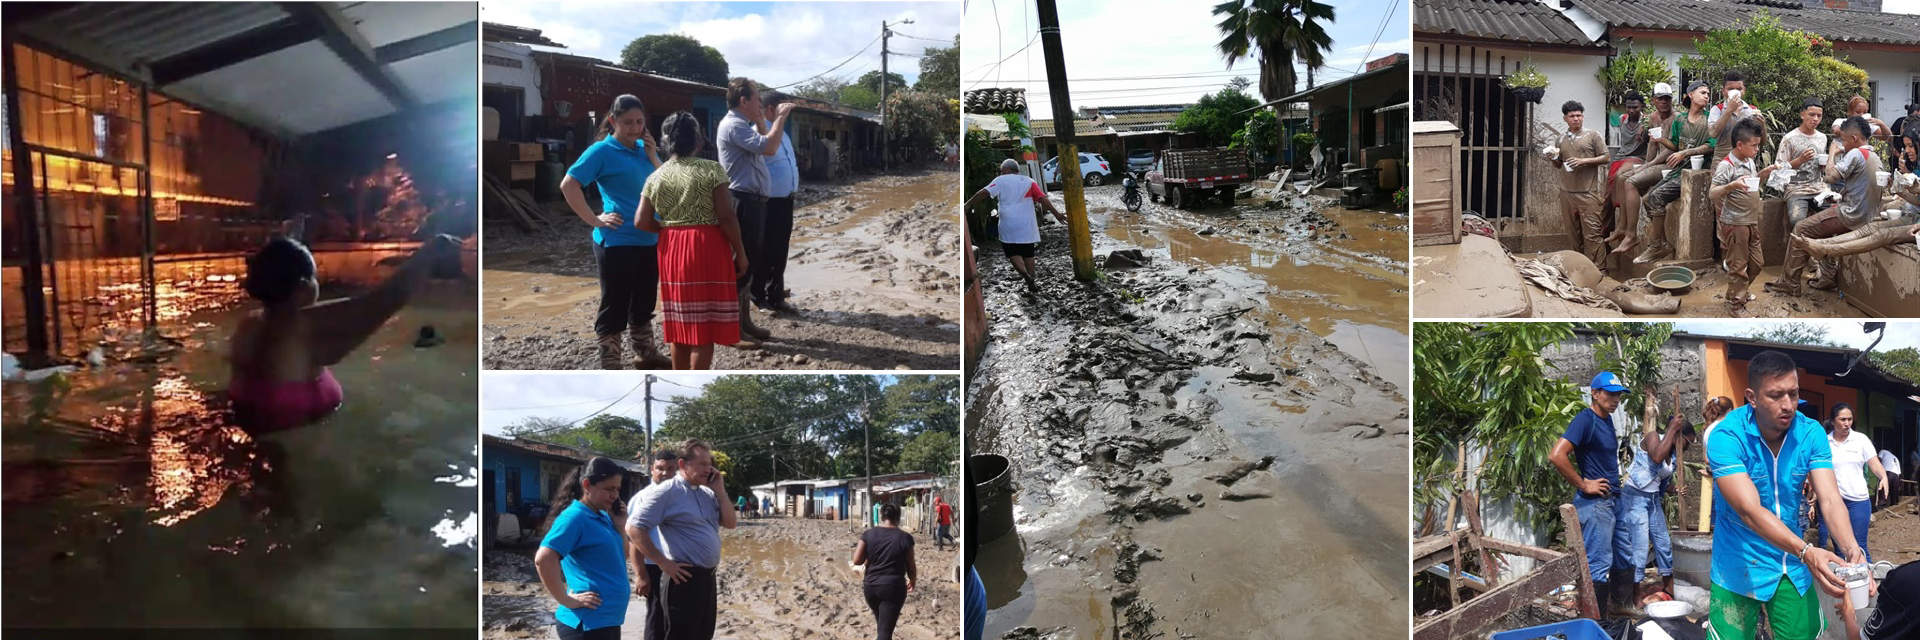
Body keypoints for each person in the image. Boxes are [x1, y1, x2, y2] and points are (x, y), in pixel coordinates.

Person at [1707, 350, 1872, 640]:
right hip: (1738, 563)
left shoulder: (1810, 433)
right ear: (1752, 397)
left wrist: (1852, 550)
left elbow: (1831, 499)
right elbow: (1749, 510)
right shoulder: (1726, 436)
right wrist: (1808, 552)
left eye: (1793, 394)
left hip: (1790, 565)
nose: (1788, 405)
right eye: (1776, 395)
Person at [229, 234, 460, 432]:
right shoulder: (299, 329)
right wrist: (432, 251)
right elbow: (384, 300)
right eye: (315, 278)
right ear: (303, 286)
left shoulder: (249, 325)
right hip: (291, 463)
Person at [560, 94, 669, 370]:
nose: (634, 128)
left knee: (644, 300)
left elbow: (667, 185)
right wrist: (594, 220)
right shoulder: (601, 152)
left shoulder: (644, 149)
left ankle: (645, 353)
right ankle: (611, 363)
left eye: (639, 122)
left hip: (650, 236)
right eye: (627, 122)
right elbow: (568, 185)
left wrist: (654, 156)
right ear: (612, 121)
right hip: (617, 240)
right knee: (615, 303)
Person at [635, 112, 750, 370]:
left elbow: (641, 221)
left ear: (666, 142)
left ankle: (680, 378)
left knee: (680, 324)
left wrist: (667, 228)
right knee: (704, 329)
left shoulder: (657, 176)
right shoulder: (711, 170)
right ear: (698, 141)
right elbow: (726, 216)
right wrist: (741, 253)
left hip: (671, 248)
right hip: (706, 245)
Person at [715, 78, 796, 348]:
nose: (760, 104)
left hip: (754, 201)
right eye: (757, 100)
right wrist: (780, 118)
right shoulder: (735, 125)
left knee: (748, 261)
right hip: (744, 201)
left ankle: (744, 322)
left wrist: (764, 121)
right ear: (744, 101)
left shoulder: (741, 124)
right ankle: (733, 330)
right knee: (742, 264)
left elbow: (764, 138)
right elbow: (769, 147)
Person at [629, 439, 736, 640]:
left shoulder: (707, 492)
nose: (708, 468)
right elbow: (633, 528)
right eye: (702, 464)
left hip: (707, 578)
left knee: (703, 634)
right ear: (682, 465)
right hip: (682, 578)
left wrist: (720, 491)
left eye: (709, 463)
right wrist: (663, 563)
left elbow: (730, 523)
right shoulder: (667, 491)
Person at [1547, 371, 1632, 617]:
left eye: (1619, 395)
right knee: (1598, 562)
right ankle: (1595, 621)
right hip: (1595, 505)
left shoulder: (1606, 419)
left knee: (1624, 554)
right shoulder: (1586, 419)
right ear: (1595, 393)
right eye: (1610, 394)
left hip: (1612, 501)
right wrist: (1584, 484)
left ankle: (1620, 607)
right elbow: (1556, 455)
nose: (1616, 399)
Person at [1770, 117, 1882, 297]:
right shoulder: (1874, 156)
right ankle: (1828, 277)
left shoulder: (1856, 153)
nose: (1843, 144)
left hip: (1850, 214)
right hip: (1864, 214)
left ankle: (1789, 283)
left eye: (1844, 140)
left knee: (1801, 228)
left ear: (1854, 138)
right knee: (1822, 228)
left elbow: (1830, 176)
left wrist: (1832, 153)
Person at [536, 457, 632, 640]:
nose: (614, 495)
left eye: (617, 489)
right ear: (587, 485)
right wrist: (566, 599)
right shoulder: (574, 518)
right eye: (609, 489)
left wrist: (620, 526)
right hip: (586, 623)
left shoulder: (603, 517)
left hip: (606, 620)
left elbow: (622, 556)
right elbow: (543, 559)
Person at [1617, 396, 1696, 604]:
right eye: (1686, 443)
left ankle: (1668, 585)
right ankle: (1633, 595)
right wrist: (1671, 430)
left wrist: (1674, 489)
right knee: (1640, 547)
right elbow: (1656, 458)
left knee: (1663, 543)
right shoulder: (1653, 437)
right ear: (1678, 436)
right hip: (1634, 499)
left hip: (1652, 501)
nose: (1686, 449)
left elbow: (1660, 485)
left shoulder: (1674, 456)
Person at [1636, 82, 1716, 264]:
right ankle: (1661, 243)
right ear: (1690, 95)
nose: (1707, 96)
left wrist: (1685, 153)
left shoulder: (1710, 119)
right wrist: (1661, 139)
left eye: (1708, 93)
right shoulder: (1680, 120)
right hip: (1679, 169)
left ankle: (1656, 246)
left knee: (1655, 198)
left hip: (1695, 171)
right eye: (1702, 92)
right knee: (1648, 199)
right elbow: (1675, 144)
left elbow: (1711, 146)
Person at [963, 158, 1069, 293]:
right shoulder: (1030, 182)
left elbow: (984, 193)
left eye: (1002, 170)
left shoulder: (1001, 180)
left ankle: (1026, 276)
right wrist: (1057, 214)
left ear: (1006, 170)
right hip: (1027, 225)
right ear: (1017, 170)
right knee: (1028, 254)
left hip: (1009, 224)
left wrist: (968, 203)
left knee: (1012, 252)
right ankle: (1032, 280)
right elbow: (1042, 198)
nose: (1001, 172)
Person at [1710, 120, 1778, 317]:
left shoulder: (1748, 160)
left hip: (1750, 221)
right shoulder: (1726, 166)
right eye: (1755, 145)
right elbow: (1712, 193)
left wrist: (1765, 173)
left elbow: (1752, 181)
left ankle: (1735, 292)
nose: (1758, 148)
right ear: (1740, 145)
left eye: (1758, 145)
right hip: (1734, 223)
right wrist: (1731, 186)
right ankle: (1736, 305)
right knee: (1738, 266)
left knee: (1757, 262)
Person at [1608, 86, 1678, 256]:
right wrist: (1647, 163)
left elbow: (1672, 149)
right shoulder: (1653, 117)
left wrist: (1648, 165)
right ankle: (1623, 227)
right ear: (1653, 100)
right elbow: (1653, 145)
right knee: (1622, 178)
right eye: (1660, 98)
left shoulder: (1677, 118)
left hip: (1671, 164)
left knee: (1630, 181)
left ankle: (1631, 235)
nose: (1663, 101)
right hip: (1656, 163)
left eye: (1667, 98)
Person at [1817, 403, 1887, 562]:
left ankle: (1867, 584)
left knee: (1859, 547)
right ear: (1833, 421)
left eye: (1849, 419)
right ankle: (1845, 585)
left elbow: (1874, 463)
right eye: (1842, 419)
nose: (1847, 423)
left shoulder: (1861, 440)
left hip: (1858, 501)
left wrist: (1883, 476)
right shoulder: (1824, 443)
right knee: (1840, 549)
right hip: (1834, 502)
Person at [754, 90, 801, 316]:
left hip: (785, 199)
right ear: (771, 108)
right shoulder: (762, 130)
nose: (787, 113)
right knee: (765, 251)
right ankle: (758, 297)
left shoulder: (782, 132)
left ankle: (776, 295)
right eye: (783, 108)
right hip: (768, 201)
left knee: (780, 250)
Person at [1552, 101, 1612, 266]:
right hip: (1566, 192)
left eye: (1579, 115)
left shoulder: (1593, 135)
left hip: (1588, 192)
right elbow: (1558, 165)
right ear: (1565, 118)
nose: (1576, 119)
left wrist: (1583, 161)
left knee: (1593, 233)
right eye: (1572, 116)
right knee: (1573, 234)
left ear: (1583, 116)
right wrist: (1553, 159)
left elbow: (1606, 157)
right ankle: (1577, 268)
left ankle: (1600, 270)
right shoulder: (1560, 139)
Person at [628, 449, 679, 635]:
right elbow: (633, 539)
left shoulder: (680, 495)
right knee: (656, 618)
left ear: (678, 469)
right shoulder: (643, 498)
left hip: (679, 566)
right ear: (652, 469)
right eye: (660, 468)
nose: (665, 473)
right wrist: (641, 575)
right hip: (655, 567)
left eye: (670, 468)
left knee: (676, 619)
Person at [852, 503, 918, 640]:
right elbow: (911, 566)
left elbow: (856, 560)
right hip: (892, 589)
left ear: (882, 516)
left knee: (883, 626)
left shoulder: (868, 534)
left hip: (870, 587)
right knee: (885, 631)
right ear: (898, 517)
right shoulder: (905, 538)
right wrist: (913, 580)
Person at [1780, 99, 1832, 226]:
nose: (1815, 119)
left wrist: (1822, 166)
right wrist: (1799, 161)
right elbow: (1780, 169)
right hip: (1796, 189)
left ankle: (1824, 245)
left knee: (1834, 217)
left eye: (1819, 116)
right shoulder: (1789, 138)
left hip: (1819, 187)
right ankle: (1798, 245)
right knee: (1798, 221)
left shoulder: (1822, 137)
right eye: (1811, 114)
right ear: (1802, 114)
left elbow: (1820, 165)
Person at [1709, 72, 1765, 166]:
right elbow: (1713, 133)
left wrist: (1763, 126)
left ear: (1744, 91)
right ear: (1723, 91)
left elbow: (1761, 142)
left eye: (1739, 89)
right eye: (1730, 89)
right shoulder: (1717, 109)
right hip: (1721, 162)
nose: (1735, 92)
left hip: (1746, 163)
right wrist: (1729, 110)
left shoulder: (1752, 111)